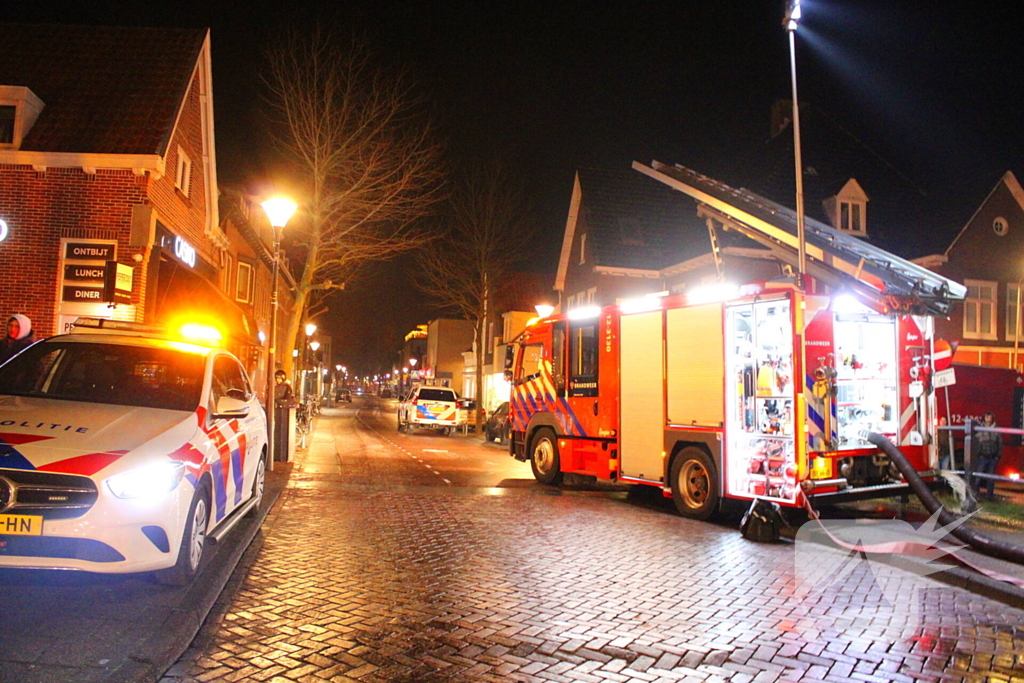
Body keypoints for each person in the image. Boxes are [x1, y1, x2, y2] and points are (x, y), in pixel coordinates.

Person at [972, 411, 1002, 500]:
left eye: (990, 417)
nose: (988, 418)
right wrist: (978, 454)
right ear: (984, 418)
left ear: (992, 418)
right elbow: (976, 443)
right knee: (978, 477)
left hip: (993, 457)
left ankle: (989, 496)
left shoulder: (996, 430)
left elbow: (1000, 443)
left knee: (991, 478)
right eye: (987, 417)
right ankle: (976, 495)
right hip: (982, 456)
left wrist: (998, 456)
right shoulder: (979, 429)